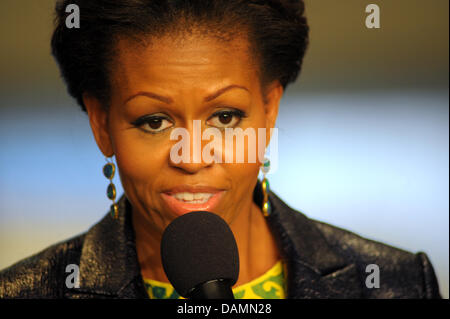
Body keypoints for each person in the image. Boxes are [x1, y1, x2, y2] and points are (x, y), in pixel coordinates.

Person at [0, 0, 441, 299]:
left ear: (270, 109)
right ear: (101, 124)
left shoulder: (394, 284)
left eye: (225, 118)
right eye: (154, 122)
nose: (192, 157)